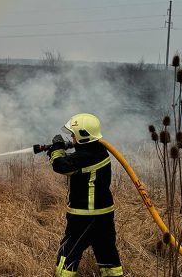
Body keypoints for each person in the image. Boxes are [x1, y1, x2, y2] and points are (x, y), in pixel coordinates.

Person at [44, 113, 123, 276]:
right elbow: (77, 159)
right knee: (106, 251)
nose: (71, 137)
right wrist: (60, 150)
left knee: (70, 250)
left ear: (83, 136)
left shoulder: (86, 157)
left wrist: (57, 150)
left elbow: (61, 166)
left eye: (73, 134)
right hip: (104, 213)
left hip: (85, 214)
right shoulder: (98, 151)